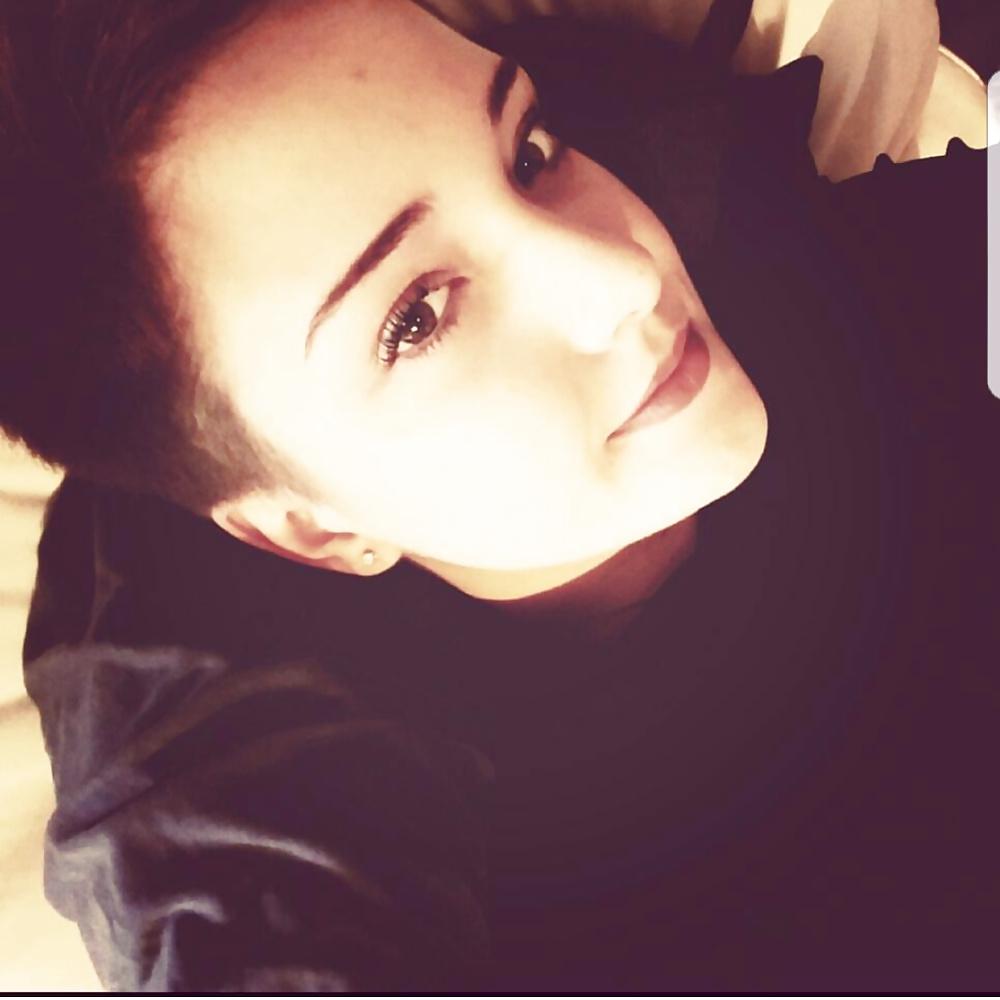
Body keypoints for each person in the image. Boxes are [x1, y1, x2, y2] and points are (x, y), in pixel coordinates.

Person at [2, 0, 996, 991]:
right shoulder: (284, 793)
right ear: (309, 527)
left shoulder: (776, 228)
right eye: (416, 317)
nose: (621, 274)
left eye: (529, 151)